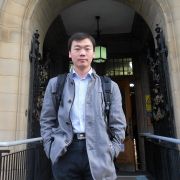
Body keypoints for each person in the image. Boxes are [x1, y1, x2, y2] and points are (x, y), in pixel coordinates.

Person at [40, 32, 126, 180]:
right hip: (65, 152)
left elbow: (118, 123)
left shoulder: (110, 87)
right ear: (69, 53)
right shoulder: (55, 84)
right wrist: (49, 148)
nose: (82, 53)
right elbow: (46, 119)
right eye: (77, 48)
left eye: (87, 48)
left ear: (93, 53)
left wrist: (113, 150)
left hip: (100, 153)